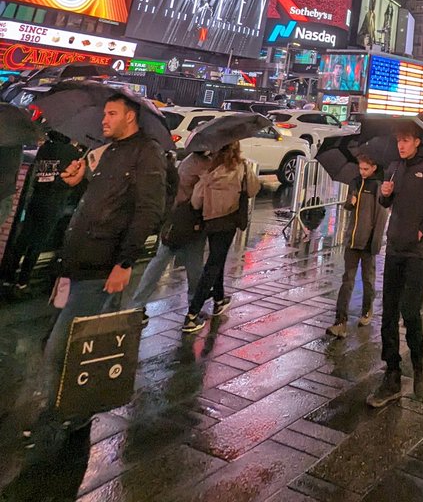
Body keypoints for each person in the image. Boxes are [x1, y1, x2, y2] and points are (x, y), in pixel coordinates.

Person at [37, 95, 167, 423]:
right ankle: (67, 408)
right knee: (63, 343)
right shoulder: (109, 151)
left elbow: (149, 210)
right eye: (104, 113)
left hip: (101, 266)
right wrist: (80, 181)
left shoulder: (146, 153)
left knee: (61, 347)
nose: (104, 120)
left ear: (130, 117)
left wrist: (125, 263)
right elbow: (102, 201)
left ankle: (62, 414)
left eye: (112, 114)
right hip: (75, 263)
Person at [367, 123, 423, 408]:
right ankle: (391, 373)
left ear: (417, 141)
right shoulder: (393, 167)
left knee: (410, 311)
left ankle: (418, 361)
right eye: (398, 140)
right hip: (394, 247)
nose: (400, 145)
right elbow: (385, 202)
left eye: (405, 140)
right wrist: (385, 193)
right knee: (388, 313)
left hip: (418, 251)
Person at [182, 141, 260, 333]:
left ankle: (219, 299)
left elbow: (196, 201)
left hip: (211, 221)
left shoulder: (210, 170)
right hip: (230, 220)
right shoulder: (242, 167)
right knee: (214, 263)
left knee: (218, 257)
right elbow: (253, 189)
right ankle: (192, 315)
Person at [130, 150, 210, 323]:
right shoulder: (204, 166)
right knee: (194, 266)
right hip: (191, 222)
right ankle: (194, 307)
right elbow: (197, 201)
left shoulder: (187, 161)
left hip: (173, 220)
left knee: (157, 263)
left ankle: (136, 305)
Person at [9, 131, 80, 290]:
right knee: (38, 242)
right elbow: (74, 179)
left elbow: (36, 170)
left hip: (36, 197)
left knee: (23, 237)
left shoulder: (44, 149)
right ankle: (23, 279)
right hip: (55, 202)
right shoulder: (73, 152)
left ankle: (9, 275)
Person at [327, 154, 387, 337]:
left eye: (366, 169)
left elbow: (380, 216)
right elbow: (348, 206)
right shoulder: (355, 182)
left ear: (374, 168)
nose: (362, 172)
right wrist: (350, 202)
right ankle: (340, 320)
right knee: (347, 280)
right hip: (352, 239)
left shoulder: (378, 186)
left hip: (368, 241)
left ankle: (367, 309)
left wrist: (375, 242)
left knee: (368, 279)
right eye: (360, 168)